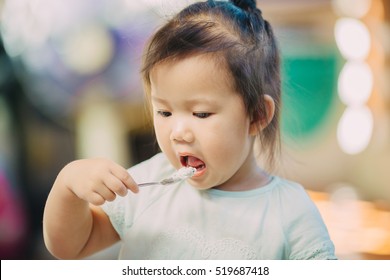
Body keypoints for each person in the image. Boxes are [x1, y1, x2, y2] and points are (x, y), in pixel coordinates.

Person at [43, 0, 336, 260]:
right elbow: (71, 247)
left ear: (257, 115)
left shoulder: (292, 214)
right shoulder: (146, 185)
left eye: (201, 113)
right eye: (164, 112)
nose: (178, 132)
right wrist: (68, 186)